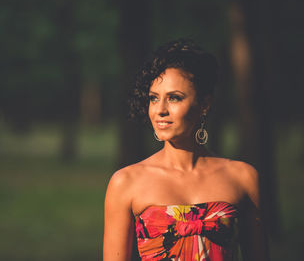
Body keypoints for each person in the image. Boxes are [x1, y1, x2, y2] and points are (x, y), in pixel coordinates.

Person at [103, 39, 270, 261]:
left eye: (174, 98)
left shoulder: (243, 178)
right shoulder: (125, 182)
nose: (160, 110)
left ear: (204, 104)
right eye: (154, 98)